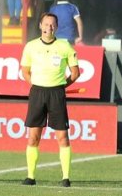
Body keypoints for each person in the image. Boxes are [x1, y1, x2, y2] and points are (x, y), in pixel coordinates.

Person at [21, 12, 80, 187]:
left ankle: (66, 178)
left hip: (57, 94)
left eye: (52, 24)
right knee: (33, 137)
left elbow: (76, 73)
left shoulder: (64, 46)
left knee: (62, 136)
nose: (49, 27)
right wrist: (36, 83)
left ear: (57, 27)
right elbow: (25, 70)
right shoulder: (31, 47)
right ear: (40, 25)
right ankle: (30, 176)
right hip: (37, 93)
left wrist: (61, 86)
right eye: (46, 24)